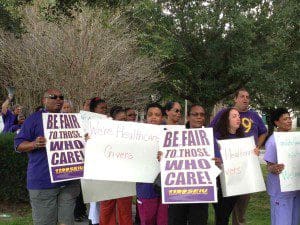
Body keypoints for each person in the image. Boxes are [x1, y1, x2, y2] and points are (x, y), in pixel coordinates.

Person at [14, 89, 80, 225]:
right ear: (44, 100)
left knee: (67, 222)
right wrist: (34, 144)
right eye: (53, 97)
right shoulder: (34, 119)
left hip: (68, 182)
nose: (58, 100)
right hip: (43, 183)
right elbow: (18, 144)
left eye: (61, 97)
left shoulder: (70, 120)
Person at [211, 88, 267, 225]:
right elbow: (209, 134)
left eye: (248, 97)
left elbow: (263, 132)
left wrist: (256, 147)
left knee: (240, 208)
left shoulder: (253, 116)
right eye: (242, 96)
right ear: (235, 98)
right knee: (222, 213)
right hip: (221, 173)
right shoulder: (222, 115)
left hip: (243, 172)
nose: (245, 99)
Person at [167, 105, 211, 225]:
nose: (199, 117)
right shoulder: (175, 135)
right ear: (188, 117)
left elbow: (217, 163)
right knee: (176, 221)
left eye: (202, 115)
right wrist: (163, 156)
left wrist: (217, 162)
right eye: (195, 114)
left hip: (200, 193)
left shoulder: (210, 138)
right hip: (178, 192)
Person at [263, 108, 300, 225]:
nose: (289, 121)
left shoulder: (296, 139)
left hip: (296, 189)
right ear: (276, 122)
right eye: (285, 119)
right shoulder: (273, 141)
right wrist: (273, 168)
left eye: (289, 118)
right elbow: (268, 167)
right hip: (281, 192)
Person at [136, 103, 168, 225]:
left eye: (157, 115)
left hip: (166, 187)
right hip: (145, 187)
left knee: (163, 220)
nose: (153, 117)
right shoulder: (136, 135)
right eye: (150, 115)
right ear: (145, 117)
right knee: (147, 220)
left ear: (162, 117)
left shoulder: (171, 134)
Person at [100, 106, 132, 225]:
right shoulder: (103, 135)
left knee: (125, 210)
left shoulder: (132, 135)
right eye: (121, 120)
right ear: (112, 121)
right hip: (108, 177)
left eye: (125, 119)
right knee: (107, 209)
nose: (124, 122)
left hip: (125, 178)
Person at [88, 97, 108, 225]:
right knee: (94, 198)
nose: (104, 111)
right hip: (93, 165)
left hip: (104, 164)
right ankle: (94, 220)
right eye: (102, 108)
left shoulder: (108, 123)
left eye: (106, 109)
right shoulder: (87, 123)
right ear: (94, 109)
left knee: (103, 196)